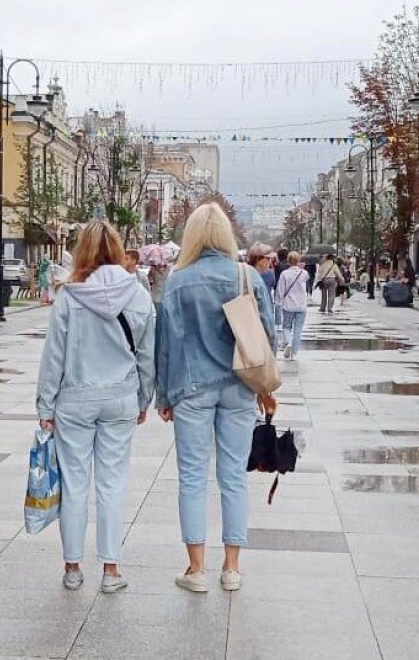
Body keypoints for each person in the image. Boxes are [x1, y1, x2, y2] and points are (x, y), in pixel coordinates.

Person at [155, 203, 275, 594]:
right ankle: (232, 568)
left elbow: (166, 343)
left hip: (192, 387)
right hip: (240, 386)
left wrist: (164, 394)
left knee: (192, 477)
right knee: (233, 477)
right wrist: (264, 389)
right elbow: (267, 334)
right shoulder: (246, 276)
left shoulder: (178, 280)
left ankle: (196, 569)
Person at [37, 221, 155, 594]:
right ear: (118, 250)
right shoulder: (138, 295)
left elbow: (53, 356)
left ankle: (73, 567)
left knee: (74, 484)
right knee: (112, 483)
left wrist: (46, 405)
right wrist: (143, 398)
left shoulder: (69, 296)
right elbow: (147, 354)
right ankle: (111, 569)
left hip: (75, 398)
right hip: (120, 396)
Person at [276, 251, 310, 360]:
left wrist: (278, 303)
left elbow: (280, 290)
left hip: (288, 304)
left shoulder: (284, 274)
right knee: (298, 329)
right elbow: (307, 280)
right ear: (299, 260)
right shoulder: (304, 273)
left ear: (288, 261)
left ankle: (288, 342)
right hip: (301, 305)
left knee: (286, 326)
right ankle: (294, 354)